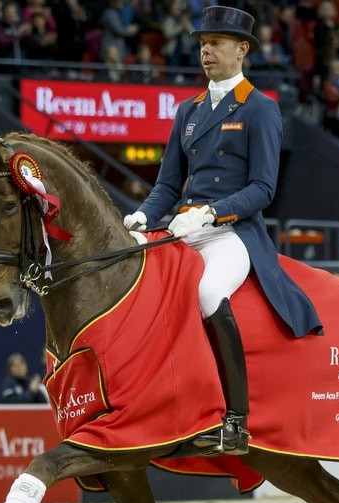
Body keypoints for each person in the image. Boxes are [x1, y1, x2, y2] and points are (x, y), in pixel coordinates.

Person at [123, 6, 321, 455]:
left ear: (242, 49)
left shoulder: (260, 108)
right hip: (182, 226)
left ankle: (236, 420)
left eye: (216, 43)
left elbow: (263, 188)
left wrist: (212, 213)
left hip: (232, 232)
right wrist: (143, 216)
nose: (206, 51)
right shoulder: (187, 110)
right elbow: (168, 185)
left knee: (209, 293)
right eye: (202, 43)